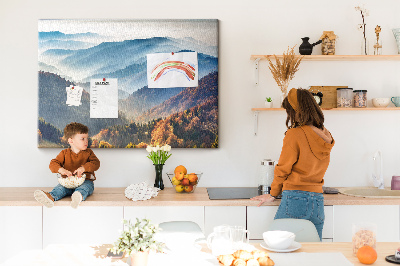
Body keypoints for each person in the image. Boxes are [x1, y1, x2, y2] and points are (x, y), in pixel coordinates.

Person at [251, 88, 335, 240]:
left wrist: (272, 194)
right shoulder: (326, 135)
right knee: (312, 253)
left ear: (296, 111)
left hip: (295, 199)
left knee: (277, 246)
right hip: (317, 201)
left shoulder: (295, 134)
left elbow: (283, 169)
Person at [34, 122, 100, 209]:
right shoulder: (64, 153)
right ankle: (50, 197)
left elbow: (96, 163)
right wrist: (62, 170)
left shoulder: (89, 153)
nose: (86, 141)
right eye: (82, 138)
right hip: (67, 182)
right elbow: (53, 163)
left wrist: (83, 168)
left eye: (86, 138)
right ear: (71, 140)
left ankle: (77, 196)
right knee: (60, 188)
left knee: (85, 188)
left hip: (85, 181)